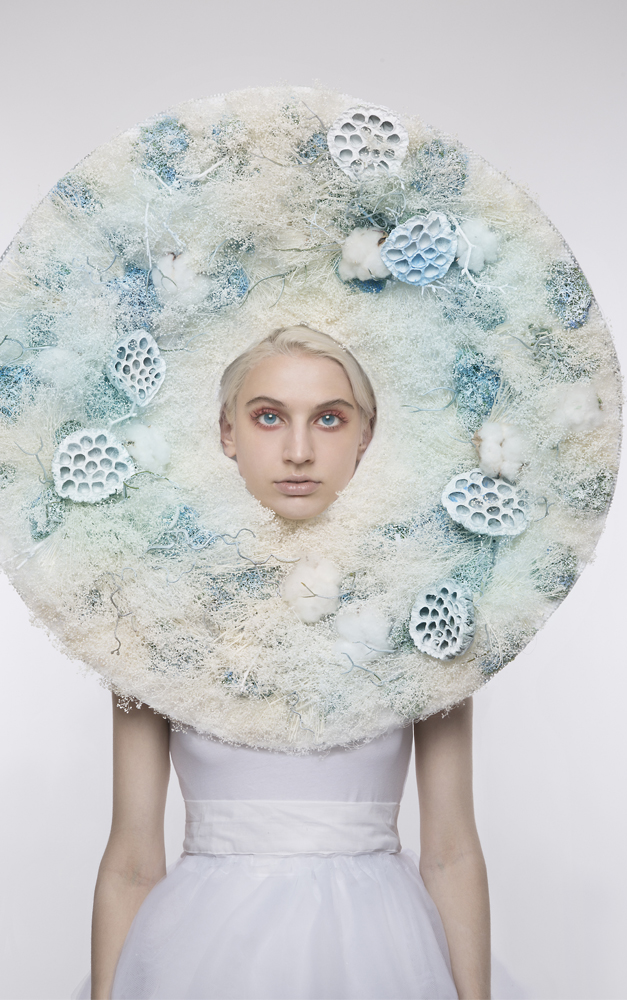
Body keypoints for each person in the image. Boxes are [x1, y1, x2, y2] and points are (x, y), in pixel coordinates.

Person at [88, 327, 491, 1000]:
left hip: (380, 953)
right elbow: (131, 857)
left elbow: (450, 849)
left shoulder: (424, 611)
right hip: (200, 952)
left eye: (328, 419)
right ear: (226, 433)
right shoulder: (157, 612)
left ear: (365, 436)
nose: (298, 451)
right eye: (268, 416)